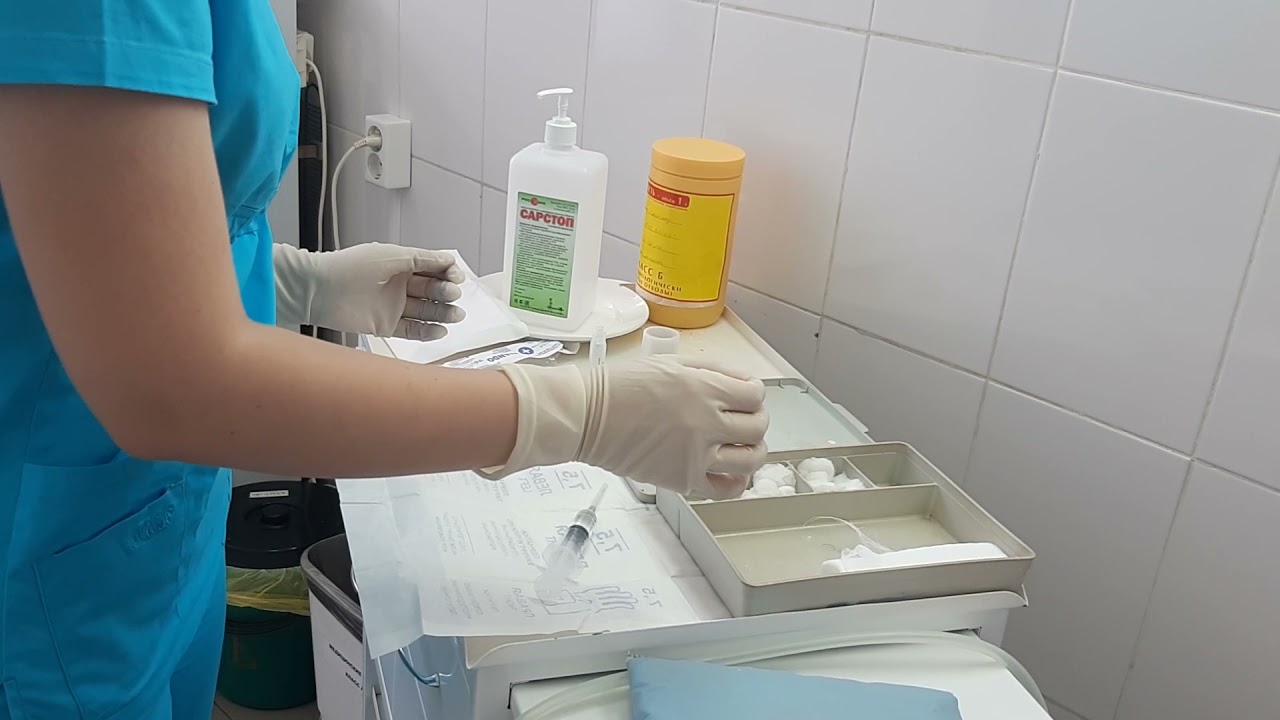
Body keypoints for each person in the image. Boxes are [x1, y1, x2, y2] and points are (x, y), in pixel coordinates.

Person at [0, 3, 768, 718]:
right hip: (51, 554)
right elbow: (172, 386)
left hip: (152, 526)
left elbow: (105, 238)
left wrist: (296, 281)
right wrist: (579, 415)